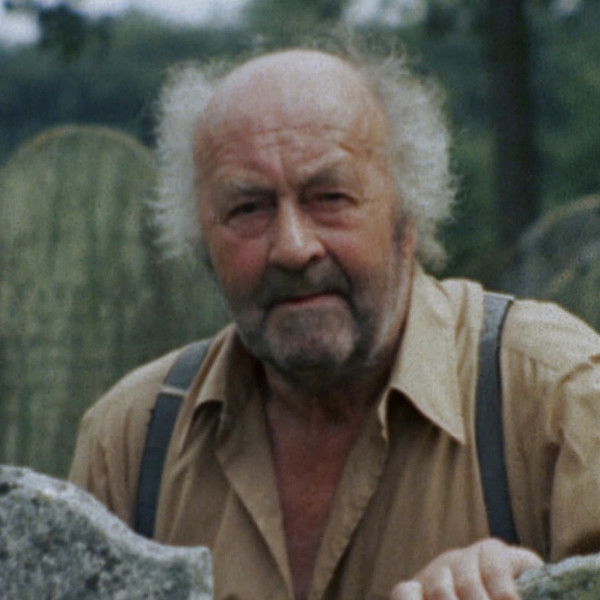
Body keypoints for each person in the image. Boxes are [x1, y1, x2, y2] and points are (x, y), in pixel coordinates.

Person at [69, 44, 600, 600]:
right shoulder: (132, 441)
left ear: (408, 218)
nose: (293, 247)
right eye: (248, 208)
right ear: (202, 242)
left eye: (330, 198)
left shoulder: (554, 396)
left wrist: (538, 588)